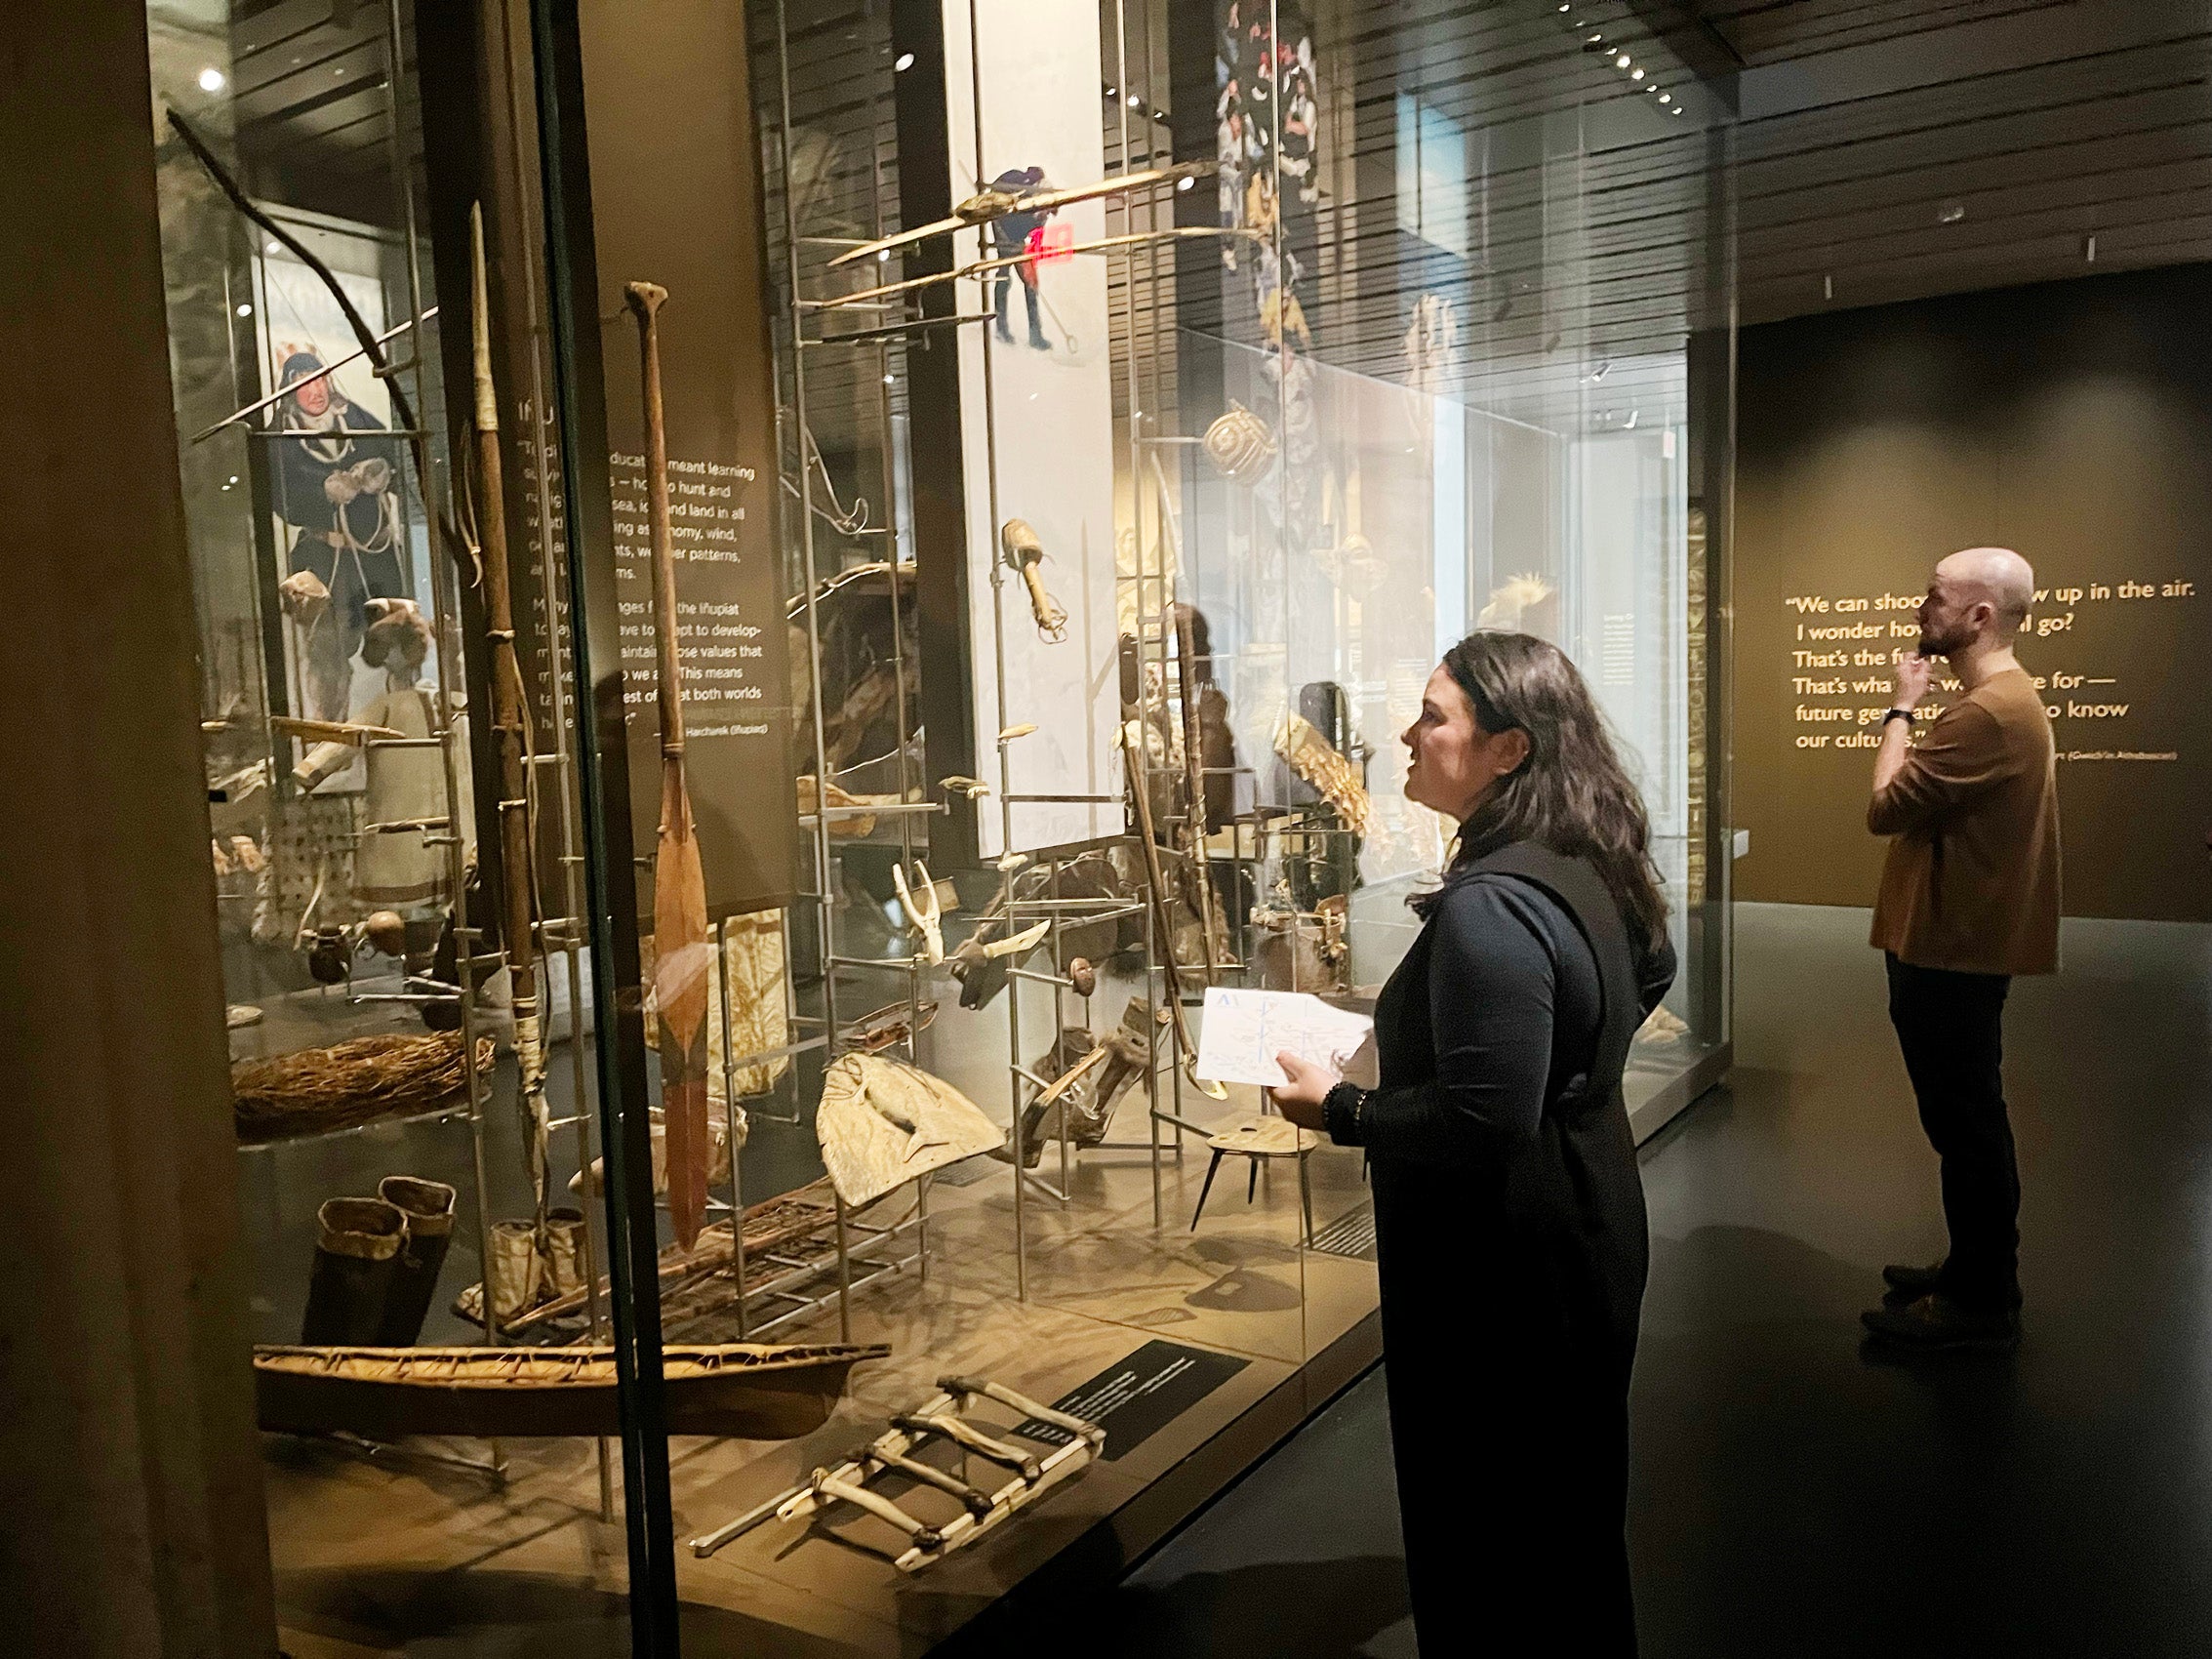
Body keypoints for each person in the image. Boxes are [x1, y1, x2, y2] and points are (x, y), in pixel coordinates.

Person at [1274, 631, 1675, 1655]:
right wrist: (1573, 1069)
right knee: (1567, 1528)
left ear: (1507, 748)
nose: (1408, 735)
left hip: (1501, 1265)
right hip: (1584, 1213)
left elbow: (1483, 1118)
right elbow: (1652, 968)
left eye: (1433, 716)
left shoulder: (1491, 903)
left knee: (1488, 1535)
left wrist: (1340, 1108)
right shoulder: (1584, 853)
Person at [1860, 546, 2061, 1349]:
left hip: (1950, 949)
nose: (1921, 607)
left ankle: (1981, 1301)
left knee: (1966, 1124)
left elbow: (1884, 808)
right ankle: (1974, 1270)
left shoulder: (1987, 713)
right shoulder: (2003, 702)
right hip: (1954, 942)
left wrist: (1899, 710)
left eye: (1935, 595)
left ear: (1979, 615)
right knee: (1966, 1119)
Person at [986, 165, 1052, 350]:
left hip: (1015, 235)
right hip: (1002, 225)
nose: (1047, 213)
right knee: (1004, 276)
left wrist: (1028, 262)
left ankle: (1035, 334)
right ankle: (1002, 328)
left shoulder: (1039, 214)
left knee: (1029, 283)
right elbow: (1008, 216)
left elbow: (1032, 237)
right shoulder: (1020, 188)